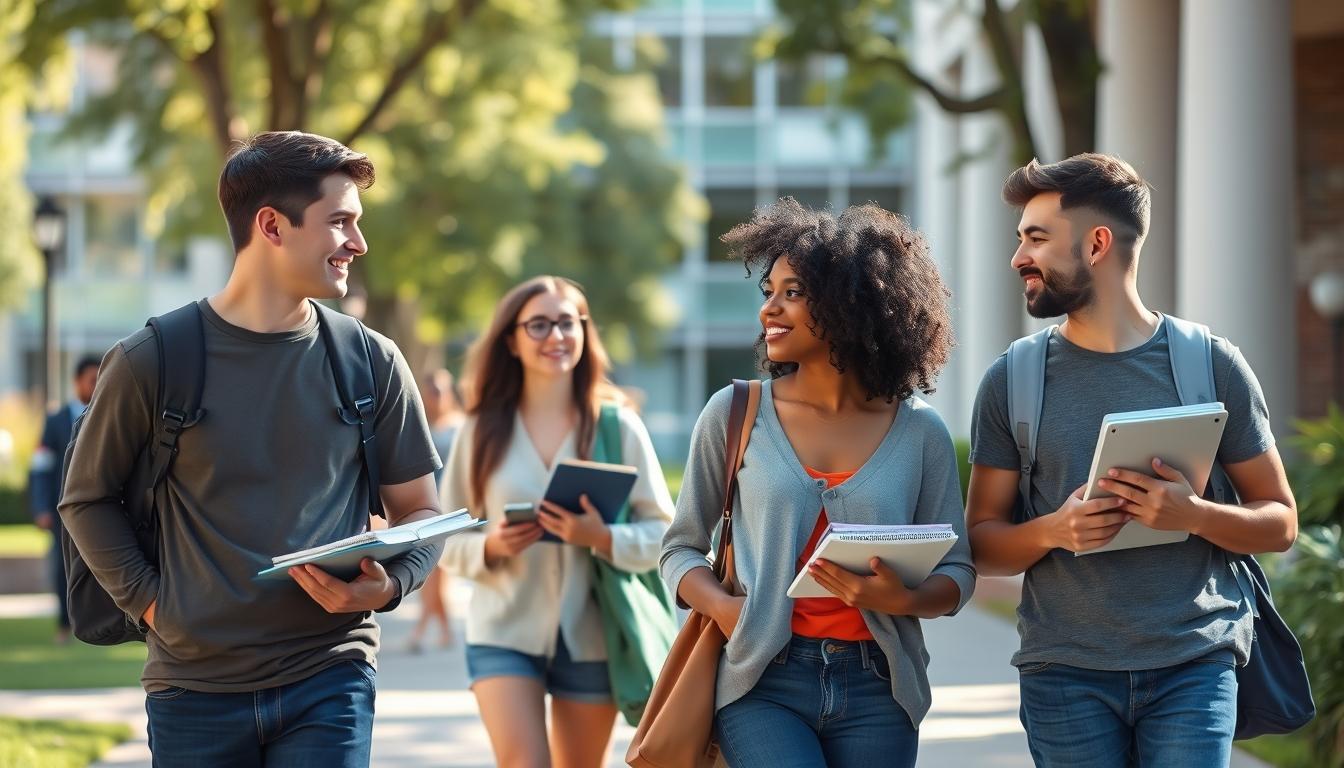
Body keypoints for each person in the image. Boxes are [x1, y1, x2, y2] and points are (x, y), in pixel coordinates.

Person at [59, 131, 445, 768]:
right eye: (340, 222)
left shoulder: (370, 361)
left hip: (332, 675)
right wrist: (158, 607)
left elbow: (423, 512)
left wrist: (388, 587)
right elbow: (86, 499)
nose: (358, 243)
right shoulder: (151, 361)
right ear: (271, 225)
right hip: (194, 690)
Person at [966, 153, 1298, 767]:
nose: (1018, 258)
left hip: (1194, 663)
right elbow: (982, 543)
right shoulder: (1011, 380)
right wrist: (1054, 531)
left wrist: (1193, 514)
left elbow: (1279, 520)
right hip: (1063, 672)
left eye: (1036, 239)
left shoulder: (1211, 364)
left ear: (1096, 244)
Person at [661, 198, 976, 768]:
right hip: (763, 681)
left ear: (854, 305)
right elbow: (679, 549)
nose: (769, 309)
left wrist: (904, 599)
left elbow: (958, 569)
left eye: (793, 292)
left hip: (880, 687)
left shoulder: (920, 432)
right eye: (768, 291)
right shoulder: (735, 414)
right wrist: (729, 611)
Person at [439, 275, 675, 768]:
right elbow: (443, 533)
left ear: (585, 332)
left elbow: (667, 536)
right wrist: (491, 547)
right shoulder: (479, 430)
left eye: (567, 323)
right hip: (502, 630)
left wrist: (603, 537)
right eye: (539, 325)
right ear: (512, 339)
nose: (556, 336)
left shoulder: (618, 425)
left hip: (593, 635)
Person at [28, 355, 100, 643]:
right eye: (92, 380)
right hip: (63, 510)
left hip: (102, 509)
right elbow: (40, 467)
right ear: (77, 382)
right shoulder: (56, 421)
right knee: (63, 567)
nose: (96, 387)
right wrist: (41, 506)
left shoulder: (111, 414)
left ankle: (102, 624)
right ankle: (63, 625)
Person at [407, 369, 465, 653]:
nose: (436, 396)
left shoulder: (459, 426)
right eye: (432, 391)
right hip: (426, 511)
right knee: (431, 574)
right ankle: (442, 630)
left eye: (441, 390)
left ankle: (423, 630)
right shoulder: (420, 424)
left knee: (436, 574)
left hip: (451, 509)